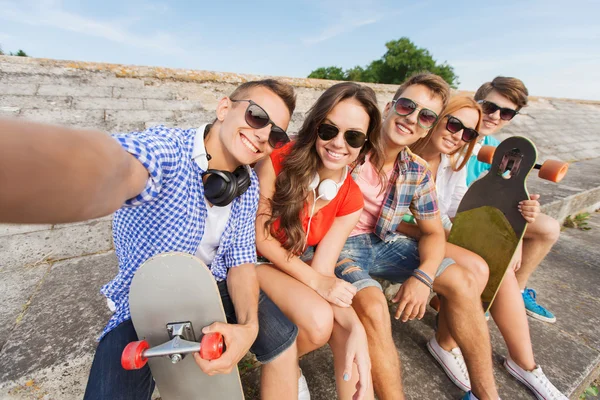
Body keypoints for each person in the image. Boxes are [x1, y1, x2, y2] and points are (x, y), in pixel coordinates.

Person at [0, 79, 304, 400]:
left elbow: (242, 262)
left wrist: (248, 329)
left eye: (276, 134)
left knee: (285, 339)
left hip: (214, 286)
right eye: (256, 116)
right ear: (224, 108)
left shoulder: (248, 186)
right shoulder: (168, 150)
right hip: (151, 298)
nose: (262, 134)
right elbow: (117, 167)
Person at [333, 73, 500, 400]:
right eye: (407, 106)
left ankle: (486, 395)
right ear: (389, 106)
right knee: (374, 305)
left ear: (430, 125)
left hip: (382, 240)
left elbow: (434, 232)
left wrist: (423, 276)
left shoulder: (416, 170)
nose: (412, 118)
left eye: (425, 116)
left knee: (463, 281)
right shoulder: (349, 145)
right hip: (338, 245)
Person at [406, 95, 567, 400]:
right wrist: (441, 234)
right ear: (437, 118)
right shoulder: (406, 153)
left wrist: (513, 227)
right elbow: (389, 219)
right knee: (480, 265)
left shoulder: (451, 164)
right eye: (454, 124)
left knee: (496, 262)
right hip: (408, 237)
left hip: (437, 235)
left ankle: (526, 365)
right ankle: (446, 343)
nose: (458, 136)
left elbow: (457, 211)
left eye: (468, 133)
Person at [255, 82, 383, 400]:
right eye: (329, 130)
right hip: (252, 259)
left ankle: (286, 365)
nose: (338, 143)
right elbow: (261, 238)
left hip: (292, 269)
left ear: (364, 143)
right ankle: (284, 364)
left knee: (338, 327)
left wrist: (356, 328)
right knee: (319, 318)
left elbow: (323, 269)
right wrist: (317, 281)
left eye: (353, 136)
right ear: (315, 129)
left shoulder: (350, 197)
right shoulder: (278, 160)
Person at [467, 76, 561, 323]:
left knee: (548, 228)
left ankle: (515, 293)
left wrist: (523, 206)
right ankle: (488, 296)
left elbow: (503, 194)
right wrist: (512, 236)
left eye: (507, 113)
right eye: (489, 107)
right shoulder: (453, 135)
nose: (495, 117)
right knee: (504, 244)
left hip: (488, 213)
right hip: (462, 215)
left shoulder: (500, 148)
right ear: (475, 102)